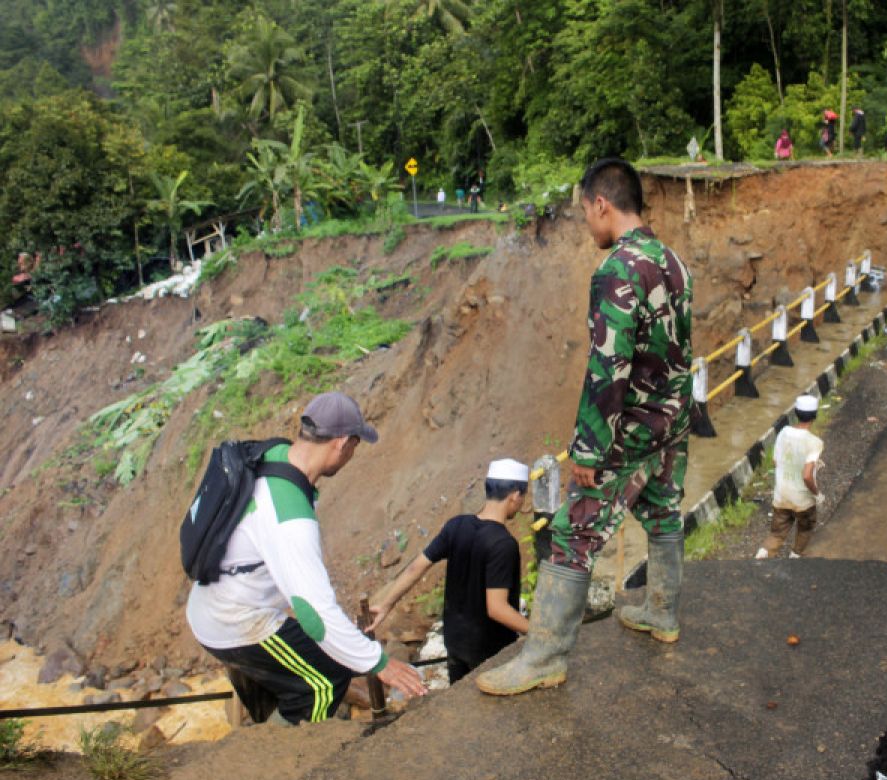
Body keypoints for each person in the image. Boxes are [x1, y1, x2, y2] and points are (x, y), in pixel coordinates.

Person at [475, 157, 693, 696]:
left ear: (602, 204)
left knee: (572, 534)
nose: (586, 226)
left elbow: (608, 366)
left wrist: (589, 452)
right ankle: (662, 613)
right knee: (663, 509)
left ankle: (545, 656)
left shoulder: (618, 269)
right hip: (672, 418)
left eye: (584, 214)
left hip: (630, 430)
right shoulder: (672, 261)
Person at [185, 393, 427, 725]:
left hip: (213, 604)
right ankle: (294, 762)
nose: (352, 455)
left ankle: (267, 733)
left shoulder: (272, 455)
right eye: (355, 447)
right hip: (233, 620)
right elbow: (314, 616)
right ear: (341, 444)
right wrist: (380, 663)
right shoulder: (290, 517)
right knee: (325, 681)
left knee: (298, 674)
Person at [368, 460, 530, 683]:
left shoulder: (456, 526)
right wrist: (538, 632)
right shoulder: (503, 544)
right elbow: (497, 608)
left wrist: (386, 604)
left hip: (455, 642)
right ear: (515, 495)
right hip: (490, 650)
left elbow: (417, 566)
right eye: (523, 496)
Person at [756, 395, 823, 560]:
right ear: (814, 416)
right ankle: (795, 557)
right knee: (805, 528)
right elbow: (807, 476)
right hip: (803, 501)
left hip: (782, 495)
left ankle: (761, 557)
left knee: (777, 534)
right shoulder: (815, 442)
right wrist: (817, 494)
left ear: (796, 413)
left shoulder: (784, 432)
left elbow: (776, 461)